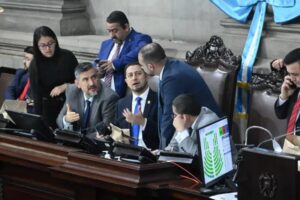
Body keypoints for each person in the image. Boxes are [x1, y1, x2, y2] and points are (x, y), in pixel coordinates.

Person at [138, 42, 221, 149]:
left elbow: (169, 116)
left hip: (206, 133)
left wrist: (163, 151)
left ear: (150, 66)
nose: (142, 68)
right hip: (192, 128)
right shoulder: (171, 66)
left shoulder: (172, 77)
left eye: (142, 65)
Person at [29, 26, 78, 128]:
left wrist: (66, 86)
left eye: (50, 44)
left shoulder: (68, 56)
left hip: (71, 103)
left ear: (55, 41)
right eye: (43, 45)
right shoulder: (35, 65)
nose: (48, 49)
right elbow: (37, 95)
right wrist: (39, 121)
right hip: (48, 108)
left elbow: (81, 81)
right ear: (36, 46)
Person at [96, 10, 152, 98]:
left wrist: (115, 64)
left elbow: (142, 49)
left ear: (125, 27)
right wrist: (99, 71)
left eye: (115, 31)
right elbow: (95, 64)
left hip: (118, 95)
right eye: (109, 31)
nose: (111, 35)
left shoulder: (140, 39)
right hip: (99, 93)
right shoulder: (105, 44)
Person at [56, 62, 119, 134]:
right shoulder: (72, 91)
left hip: (95, 142)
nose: (91, 83)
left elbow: (106, 130)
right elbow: (59, 120)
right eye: (86, 79)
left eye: (94, 77)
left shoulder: (109, 98)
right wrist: (66, 120)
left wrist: (80, 139)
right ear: (77, 84)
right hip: (74, 139)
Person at [114, 63, 159, 150]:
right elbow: (118, 131)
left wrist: (143, 122)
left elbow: (164, 133)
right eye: (130, 75)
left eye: (138, 73)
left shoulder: (158, 100)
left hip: (150, 154)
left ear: (146, 76)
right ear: (126, 81)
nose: (134, 78)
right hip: (127, 153)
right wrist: (107, 133)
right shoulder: (121, 103)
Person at [275, 48, 300, 135]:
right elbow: (281, 115)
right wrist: (284, 96)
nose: (292, 79)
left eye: (295, 74)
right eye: (289, 74)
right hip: (291, 145)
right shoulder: (295, 90)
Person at [4, 46, 34, 112]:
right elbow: (10, 89)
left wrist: (21, 108)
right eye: (24, 58)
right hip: (14, 108)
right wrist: (13, 105)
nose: (24, 61)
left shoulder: (42, 79)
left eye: (27, 59)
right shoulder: (21, 73)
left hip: (28, 112)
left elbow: (35, 103)